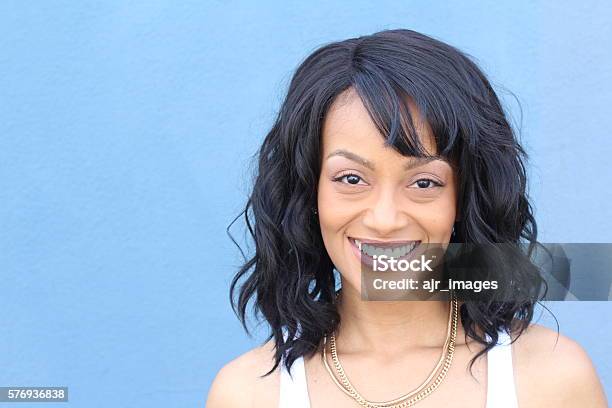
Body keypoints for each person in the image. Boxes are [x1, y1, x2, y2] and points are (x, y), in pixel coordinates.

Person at [206, 29, 607, 407]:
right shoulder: (247, 393)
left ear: (464, 198)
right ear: (308, 192)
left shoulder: (553, 378)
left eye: (424, 183)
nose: (384, 220)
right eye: (351, 178)